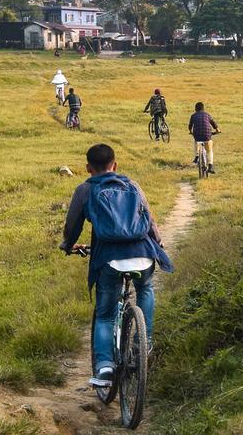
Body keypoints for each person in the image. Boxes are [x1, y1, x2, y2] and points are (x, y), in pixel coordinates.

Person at [60, 143, 173, 388]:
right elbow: (150, 220)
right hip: (143, 254)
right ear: (116, 164)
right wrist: (159, 243)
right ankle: (144, 342)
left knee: (106, 314)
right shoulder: (132, 185)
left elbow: (73, 226)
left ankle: (104, 367)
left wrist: (68, 245)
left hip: (109, 260)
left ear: (88, 168)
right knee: (146, 289)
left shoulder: (85, 190)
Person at [188, 101, 220, 173]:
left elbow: (190, 126)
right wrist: (217, 130)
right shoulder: (207, 115)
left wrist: (190, 131)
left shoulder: (193, 116)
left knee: (196, 141)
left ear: (195, 109)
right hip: (207, 135)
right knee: (209, 150)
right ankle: (210, 166)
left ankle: (197, 156)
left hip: (197, 134)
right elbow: (213, 123)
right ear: (203, 108)